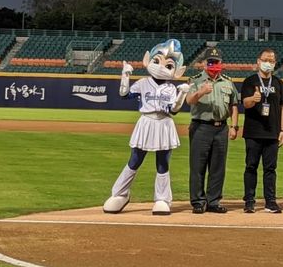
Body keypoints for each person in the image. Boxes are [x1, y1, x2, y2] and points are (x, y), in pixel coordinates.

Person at [103, 40, 189, 216]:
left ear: (178, 71)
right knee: (134, 160)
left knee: (162, 163)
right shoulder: (143, 82)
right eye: (156, 61)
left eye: (169, 65)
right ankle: (120, 194)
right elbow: (124, 94)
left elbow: (174, 110)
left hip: (164, 123)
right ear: (147, 60)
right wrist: (125, 74)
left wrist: (182, 94)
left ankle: (162, 199)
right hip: (146, 122)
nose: (160, 67)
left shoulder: (171, 88)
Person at [186, 46, 240, 214]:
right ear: (204, 63)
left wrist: (234, 126)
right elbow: (189, 100)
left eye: (216, 62)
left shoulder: (227, 81)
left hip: (221, 127)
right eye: (210, 62)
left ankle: (213, 201)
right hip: (201, 126)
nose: (213, 64)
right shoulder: (195, 80)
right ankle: (198, 201)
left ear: (221, 63)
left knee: (218, 167)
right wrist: (201, 92)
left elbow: (234, 105)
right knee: (198, 166)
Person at [240, 48, 283, 214]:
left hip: (272, 132)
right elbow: (245, 103)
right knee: (251, 167)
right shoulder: (250, 81)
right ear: (258, 61)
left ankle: (270, 201)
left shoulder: (277, 82)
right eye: (266, 59)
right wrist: (252, 100)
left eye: (272, 60)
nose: (269, 63)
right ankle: (249, 201)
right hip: (254, 132)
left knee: (270, 169)